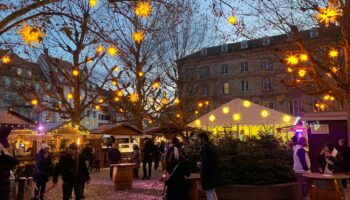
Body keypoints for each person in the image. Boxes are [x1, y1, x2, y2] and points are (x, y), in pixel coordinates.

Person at [197, 132, 219, 200]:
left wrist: (200, 165)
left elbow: (205, 163)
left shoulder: (205, 148)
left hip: (207, 175)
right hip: (214, 173)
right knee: (212, 191)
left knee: (209, 192)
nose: (198, 141)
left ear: (203, 139)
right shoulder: (213, 146)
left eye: (199, 139)